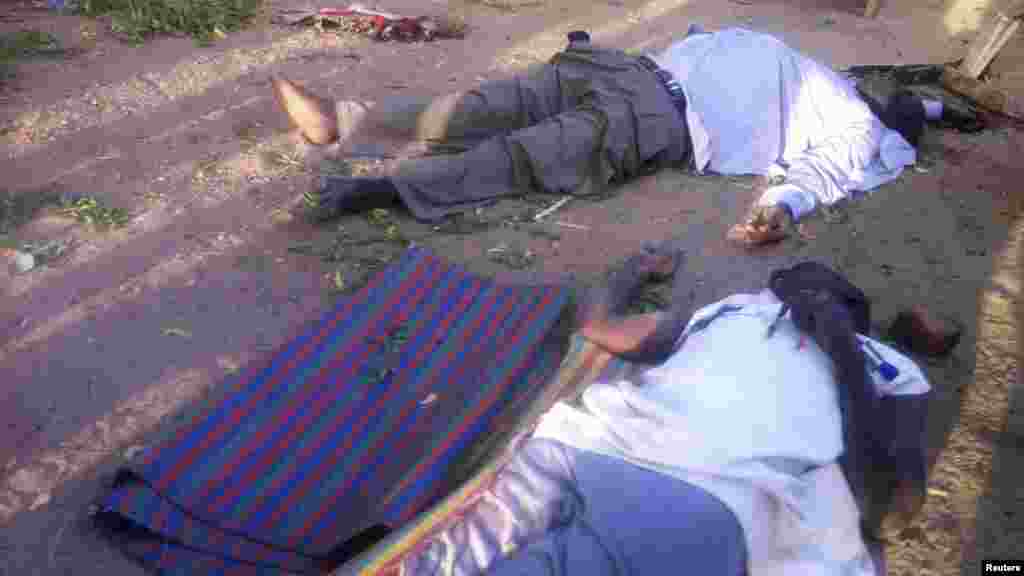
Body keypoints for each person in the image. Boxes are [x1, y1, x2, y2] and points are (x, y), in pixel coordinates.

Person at [362, 242, 935, 576]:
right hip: (632, 470)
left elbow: (892, 510)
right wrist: (635, 270)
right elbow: (598, 326)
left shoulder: (875, 362)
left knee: (488, 559)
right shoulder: (740, 313)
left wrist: (841, 346)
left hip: (640, 470)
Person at [271, 27, 920, 246]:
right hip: (623, 69)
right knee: (482, 106)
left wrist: (782, 204)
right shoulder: (808, 67)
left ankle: (387, 189)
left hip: (659, 120)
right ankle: (346, 121)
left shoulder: (856, 121)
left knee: (524, 154)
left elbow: (827, 170)